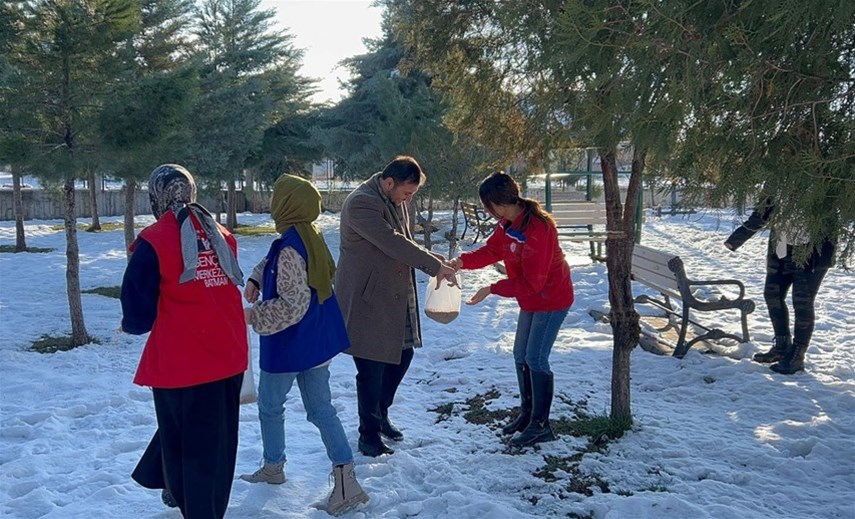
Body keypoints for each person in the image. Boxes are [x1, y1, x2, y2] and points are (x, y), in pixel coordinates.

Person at [121, 164, 246, 518]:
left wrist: (129, 325)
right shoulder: (220, 232)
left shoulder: (155, 240)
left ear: (155, 197)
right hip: (227, 354)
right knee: (216, 442)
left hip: (184, 361)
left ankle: (195, 506)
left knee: (184, 442)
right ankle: (180, 490)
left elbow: (138, 313)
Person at [239, 174, 368, 515]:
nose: (273, 204)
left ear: (287, 205)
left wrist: (254, 316)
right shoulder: (309, 236)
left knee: (269, 406)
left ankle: (274, 466)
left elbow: (292, 304)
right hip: (317, 342)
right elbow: (281, 267)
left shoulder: (289, 248)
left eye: (277, 198)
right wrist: (255, 276)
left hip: (290, 345)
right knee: (321, 410)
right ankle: (347, 479)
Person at [335, 156, 457, 457]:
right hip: (367, 299)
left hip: (390, 295)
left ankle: (380, 414)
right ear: (389, 182)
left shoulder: (392, 198)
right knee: (371, 368)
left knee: (402, 356)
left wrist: (436, 259)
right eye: (407, 192)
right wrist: (432, 265)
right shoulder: (361, 203)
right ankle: (369, 436)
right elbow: (390, 241)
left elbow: (404, 241)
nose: (409, 198)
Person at [450, 171, 573, 448]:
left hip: (551, 298)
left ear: (500, 203)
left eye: (487, 205)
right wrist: (461, 261)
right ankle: (528, 415)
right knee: (521, 354)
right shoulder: (508, 222)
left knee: (536, 358)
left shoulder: (538, 229)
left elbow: (533, 282)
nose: (486, 211)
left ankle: (541, 425)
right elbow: (493, 251)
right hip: (531, 298)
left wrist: (492, 289)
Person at [724, 199, 835, 374]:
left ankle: (797, 355)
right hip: (782, 247)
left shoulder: (823, 173)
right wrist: (736, 239)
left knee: (802, 302)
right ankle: (782, 346)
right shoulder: (778, 177)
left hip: (813, 252)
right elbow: (762, 212)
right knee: (772, 294)